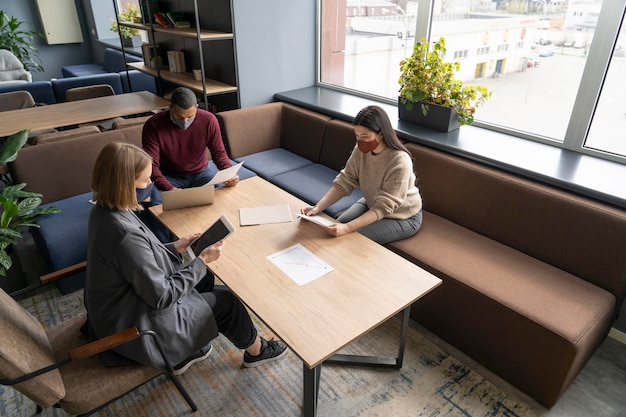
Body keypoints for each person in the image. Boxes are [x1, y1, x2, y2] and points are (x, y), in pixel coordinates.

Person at [84, 142, 287, 374]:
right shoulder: (123, 233)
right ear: (123, 184)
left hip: (118, 307)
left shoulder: (103, 211)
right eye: (144, 180)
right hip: (136, 327)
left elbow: (134, 258)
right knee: (226, 302)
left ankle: (191, 343)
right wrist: (201, 262)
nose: (150, 184)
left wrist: (176, 246)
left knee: (203, 279)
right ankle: (257, 350)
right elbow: (161, 296)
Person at [301, 105, 423, 245]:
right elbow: (345, 181)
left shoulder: (399, 161)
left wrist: (347, 228)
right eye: (357, 136)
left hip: (403, 216)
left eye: (365, 136)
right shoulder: (360, 150)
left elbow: (383, 207)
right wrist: (317, 207)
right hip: (372, 201)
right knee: (335, 226)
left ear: (381, 133)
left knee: (350, 239)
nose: (360, 141)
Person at [142, 86, 240, 205]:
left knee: (219, 199)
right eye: (179, 117)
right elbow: (152, 165)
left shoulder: (209, 120)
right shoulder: (153, 125)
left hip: (200, 173)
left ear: (197, 108)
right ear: (170, 107)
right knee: (157, 206)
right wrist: (169, 188)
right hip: (168, 175)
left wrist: (228, 173)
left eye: (190, 117)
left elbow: (219, 153)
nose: (185, 122)